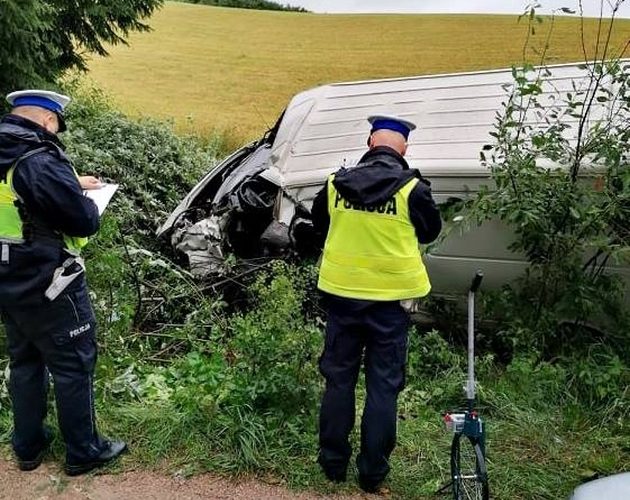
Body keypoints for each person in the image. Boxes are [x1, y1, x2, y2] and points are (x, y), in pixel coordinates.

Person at [311, 114, 442, 492]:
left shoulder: (335, 184)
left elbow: (320, 227)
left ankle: (333, 465)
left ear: (370, 143)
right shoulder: (412, 190)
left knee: (339, 382)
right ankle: (371, 475)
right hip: (390, 305)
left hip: (342, 299)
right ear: (404, 149)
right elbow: (431, 231)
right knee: (383, 387)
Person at [0, 90, 126, 475]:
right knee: (74, 363)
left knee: (25, 361)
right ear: (48, 121)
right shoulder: (38, 161)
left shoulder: (8, 153)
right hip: (49, 283)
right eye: (57, 126)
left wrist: (71, 182)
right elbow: (82, 220)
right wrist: (85, 199)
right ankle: (84, 451)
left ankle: (28, 446)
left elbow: (21, 197)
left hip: (9, 280)